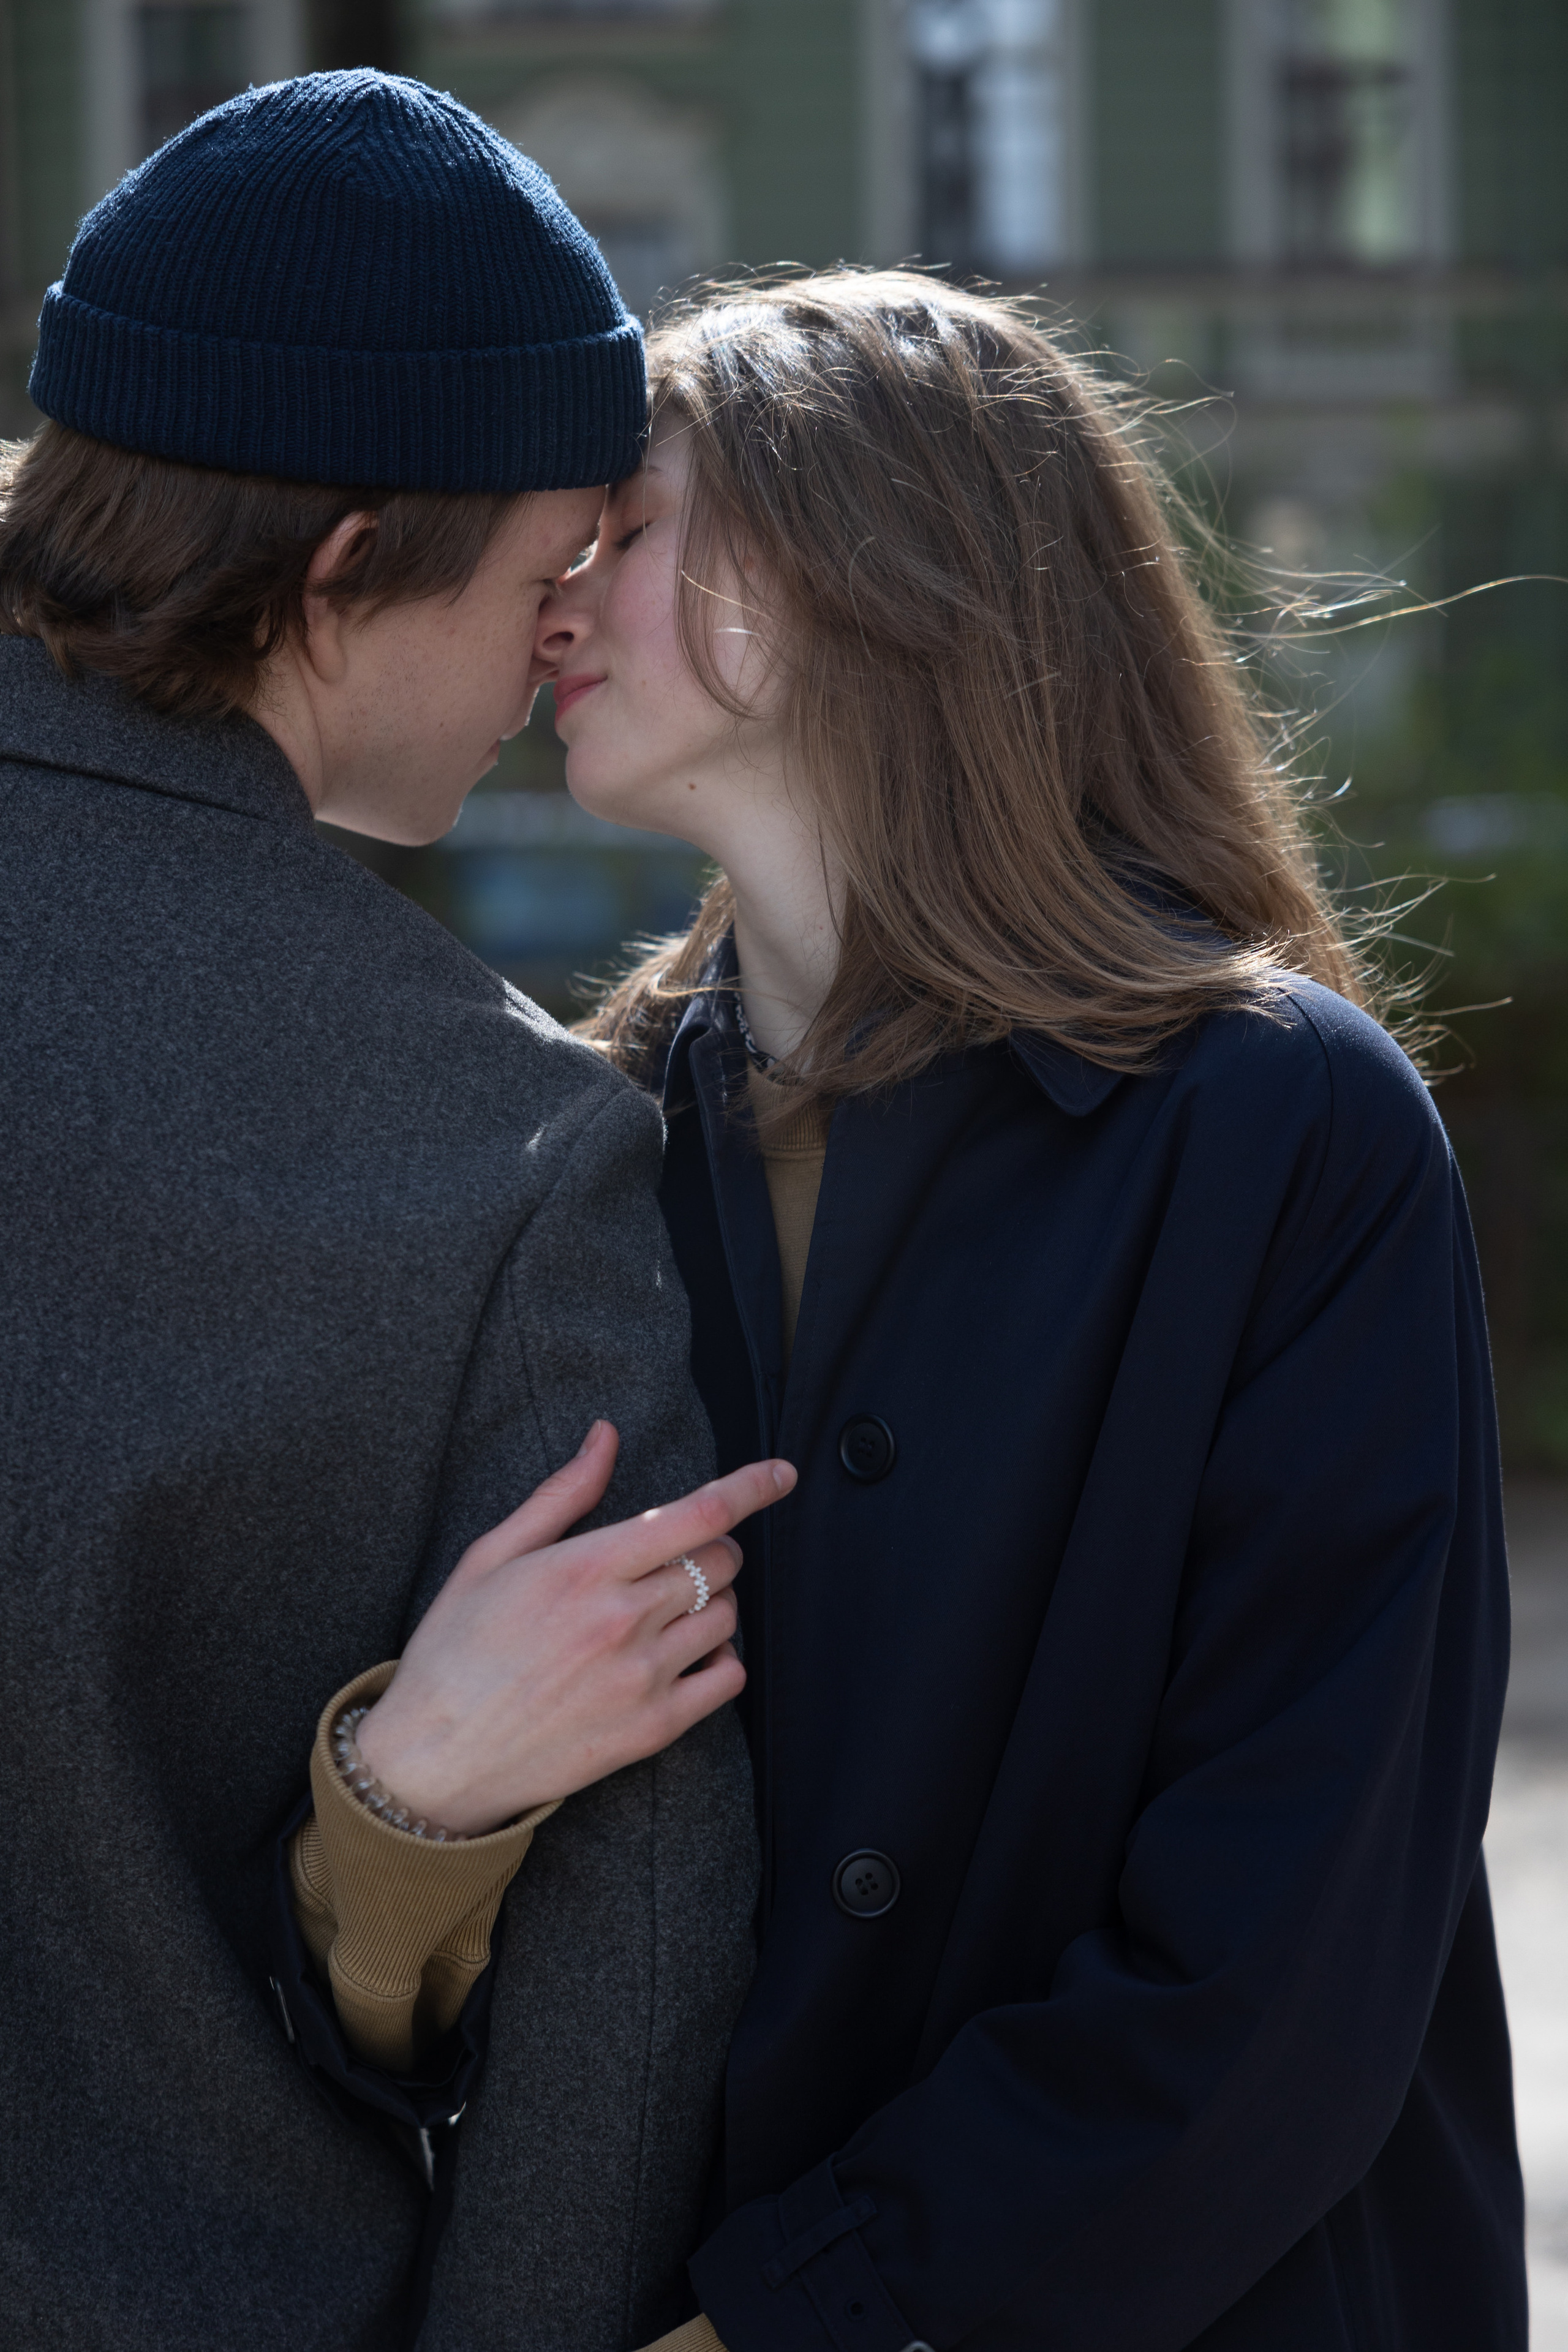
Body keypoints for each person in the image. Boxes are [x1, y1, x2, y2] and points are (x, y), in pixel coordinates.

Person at [322, 272, 1526, 2351]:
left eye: (632, 526)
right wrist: (409, 1796)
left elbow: (1291, 1950)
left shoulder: (1289, 1132)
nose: (556, 599)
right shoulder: (567, 1162)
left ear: (863, 563)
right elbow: (401, 1966)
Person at [0, 73, 793, 2352]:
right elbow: (630, 1949)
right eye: (556, 572)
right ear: (347, 564)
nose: (565, 649)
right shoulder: (499, 1156)